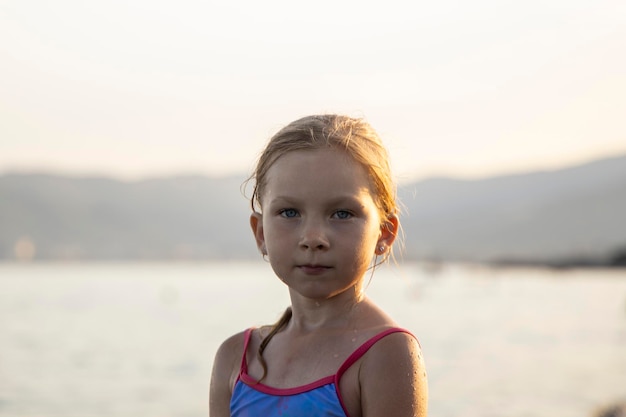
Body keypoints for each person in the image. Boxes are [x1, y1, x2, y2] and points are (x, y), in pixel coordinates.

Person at [209, 114, 428, 417]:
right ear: (260, 233)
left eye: (341, 214)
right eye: (289, 212)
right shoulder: (235, 358)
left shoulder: (385, 354)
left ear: (385, 232)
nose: (313, 238)